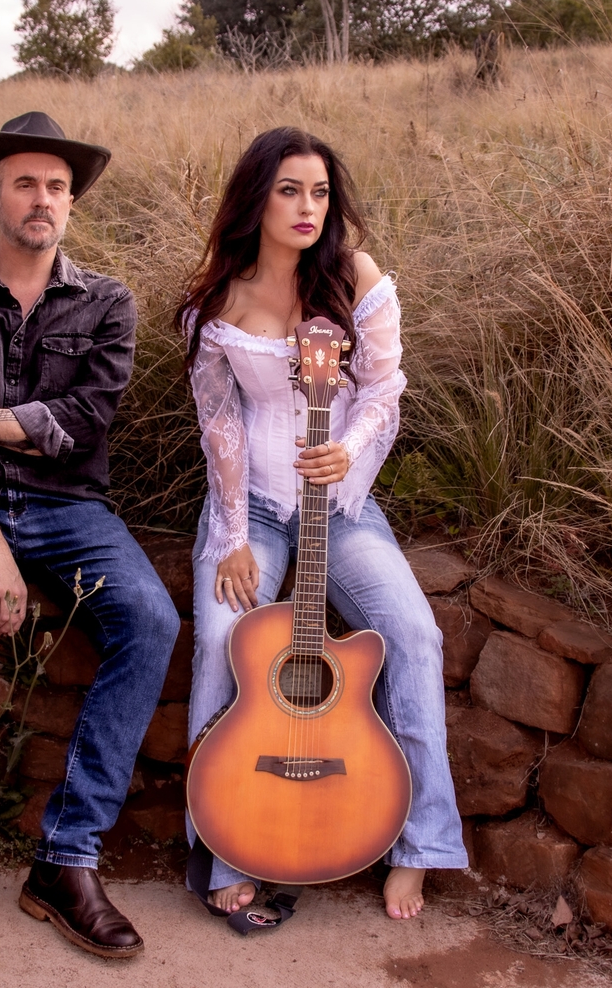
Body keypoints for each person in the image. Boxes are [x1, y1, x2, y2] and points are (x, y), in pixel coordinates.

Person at [0, 111, 180, 959]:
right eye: (25, 183)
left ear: (70, 202)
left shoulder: (106, 303)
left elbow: (77, 428)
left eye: (57, 186)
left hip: (67, 507)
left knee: (152, 619)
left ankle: (66, 857)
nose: (43, 198)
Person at [177, 126, 468, 921]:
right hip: (252, 508)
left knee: (414, 635)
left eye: (320, 192)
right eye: (289, 191)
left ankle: (420, 846)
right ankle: (222, 847)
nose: (308, 207)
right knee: (219, 638)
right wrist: (232, 536)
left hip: (340, 506)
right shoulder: (216, 300)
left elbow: (383, 392)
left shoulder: (355, 277)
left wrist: (348, 449)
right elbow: (220, 426)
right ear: (256, 199)